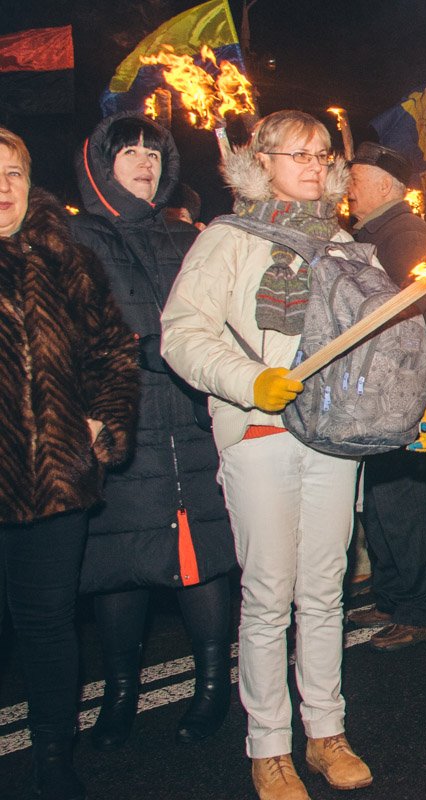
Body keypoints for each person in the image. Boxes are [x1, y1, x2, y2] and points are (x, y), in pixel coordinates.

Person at [161, 110, 426, 800]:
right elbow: (181, 333)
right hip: (260, 435)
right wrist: (248, 382)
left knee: (324, 593)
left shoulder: (348, 245)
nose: (315, 166)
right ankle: (268, 747)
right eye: (300, 155)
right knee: (268, 597)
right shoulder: (227, 239)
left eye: (323, 156)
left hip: (334, 436)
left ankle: (326, 732)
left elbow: (395, 334)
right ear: (261, 162)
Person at [71, 111, 237, 750]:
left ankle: (212, 687)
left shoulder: (187, 239)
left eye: (154, 153)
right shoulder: (73, 238)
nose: (146, 163)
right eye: (129, 152)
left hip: (191, 425)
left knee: (201, 560)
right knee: (118, 562)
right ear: (98, 165)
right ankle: (118, 695)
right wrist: (129, 351)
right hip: (120, 428)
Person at [0, 126, 139, 800]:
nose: (2, 187)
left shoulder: (68, 258)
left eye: (14, 173)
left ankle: (53, 754)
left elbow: (114, 350)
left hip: (55, 480)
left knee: (47, 625)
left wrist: (102, 421)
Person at [342, 141, 426, 650]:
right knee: (379, 496)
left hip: (404, 386)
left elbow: (425, 306)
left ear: (387, 187)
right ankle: (391, 595)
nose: (347, 187)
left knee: (401, 498)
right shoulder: (371, 233)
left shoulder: (405, 232)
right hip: (378, 387)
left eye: (356, 178)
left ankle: (416, 610)